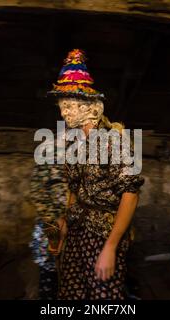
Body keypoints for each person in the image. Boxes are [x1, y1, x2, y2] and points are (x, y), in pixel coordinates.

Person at [47, 49, 144, 300]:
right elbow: (74, 188)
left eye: (68, 105)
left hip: (103, 233)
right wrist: (64, 224)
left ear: (89, 107)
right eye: (61, 105)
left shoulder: (114, 141)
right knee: (71, 293)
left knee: (104, 297)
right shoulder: (73, 143)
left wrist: (110, 247)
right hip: (77, 229)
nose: (62, 112)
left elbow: (130, 195)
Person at [29, 160, 68, 300]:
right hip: (51, 225)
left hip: (77, 225)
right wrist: (54, 219)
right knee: (50, 272)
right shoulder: (47, 158)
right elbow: (37, 192)